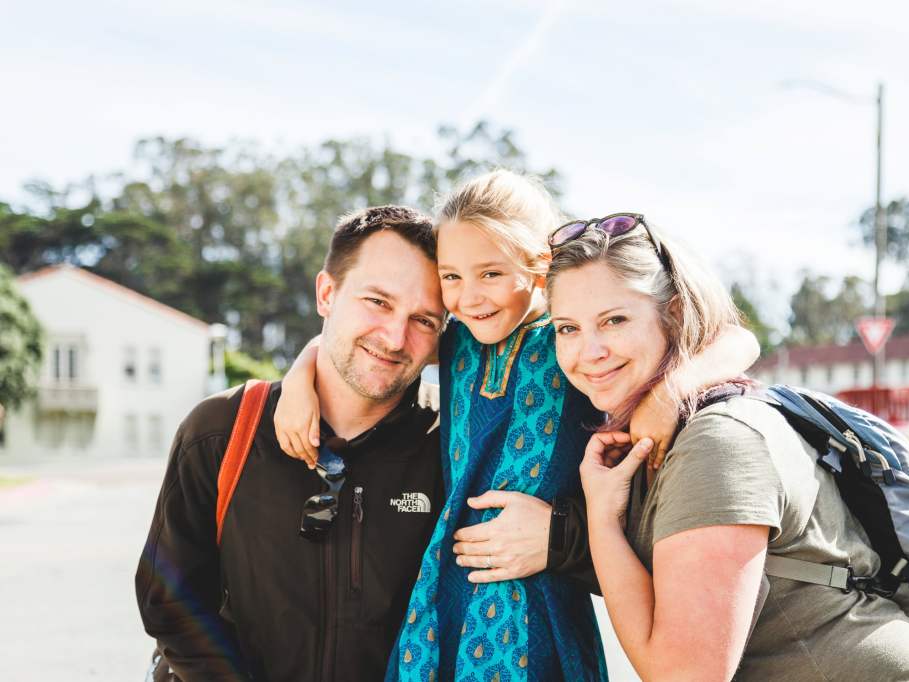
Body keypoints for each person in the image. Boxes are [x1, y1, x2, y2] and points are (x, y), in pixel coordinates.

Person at [274, 172, 761, 681]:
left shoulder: (570, 338)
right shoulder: (458, 341)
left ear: (538, 265)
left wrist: (670, 394)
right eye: (452, 276)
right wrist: (300, 374)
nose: (468, 296)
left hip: (537, 598)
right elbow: (384, 345)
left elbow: (737, 342)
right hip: (443, 595)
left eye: (490, 273)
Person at [545, 213, 909, 681]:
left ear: (674, 314)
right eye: (567, 328)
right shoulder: (651, 432)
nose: (587, 351)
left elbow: (684, 677)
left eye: (613, 320)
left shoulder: (718, 441)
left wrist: (602, 522)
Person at [137, 207, 456, 681]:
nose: (394, 337)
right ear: (327, 293)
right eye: (378, 301)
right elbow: (171, 602)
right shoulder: (222, 432)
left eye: (424, 320)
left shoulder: (454, 441)